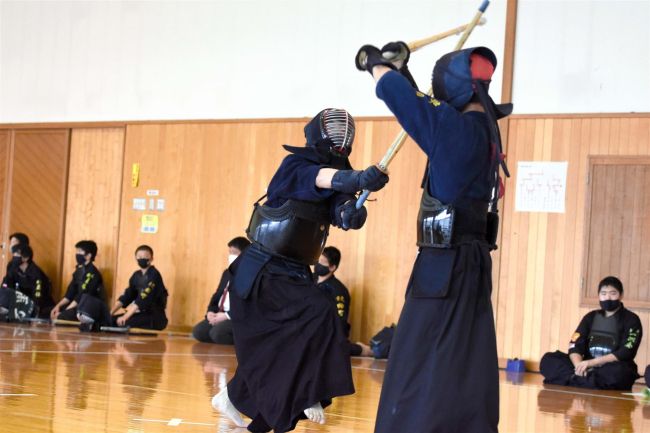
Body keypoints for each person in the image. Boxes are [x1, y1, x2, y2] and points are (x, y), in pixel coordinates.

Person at [356, 41, 512, 433]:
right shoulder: (481, 130)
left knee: (417, 358)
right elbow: (425, 110)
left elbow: (403, 100)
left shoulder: (453, 129)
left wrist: (374, 63)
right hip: (473, 262)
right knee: (462, 357)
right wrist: (403, 71)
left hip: (444, 265)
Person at [213, 108, 388, 433]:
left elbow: (339, 204)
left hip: (293, 272)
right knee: (318, 312)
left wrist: (350, 212)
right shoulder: (295, 167)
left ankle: (234, 398)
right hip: (262, 269)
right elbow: (322, 179)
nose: (341, 138)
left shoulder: (341, 174)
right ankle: (307, 392)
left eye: (345, 133)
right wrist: (358, 179)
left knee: (281, 348)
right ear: (317, 135)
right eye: (334, 132)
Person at [540, 276, 642, 390]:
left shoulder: (631, 319)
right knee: (549, 360)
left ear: (621, 295)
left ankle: (574, 380)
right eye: (603, 294)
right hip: (586, 366)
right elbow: (574, 345)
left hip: (610, 367)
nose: (608, 297)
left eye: (613, 293)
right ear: (599, 296)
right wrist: (578, 366)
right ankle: (586, 380)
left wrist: (591, 363)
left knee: (619, 373)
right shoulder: (590, 317)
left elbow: (626, 352)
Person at [315, 246, 372, 357]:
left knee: (328, 348)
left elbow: (340, 321)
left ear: (332, 267)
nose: (318, 264)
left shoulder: (338, 290)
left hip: (328, 332)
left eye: (322, 262)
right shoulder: (309, 280)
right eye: (318, 260)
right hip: (311, 327)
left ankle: (362, 350)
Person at [192, 236, 250, 345]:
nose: (230, 256)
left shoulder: (249, 275)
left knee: (217, 333)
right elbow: (217, 295)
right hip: (219, 313)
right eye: (230, 252)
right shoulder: (227, 273)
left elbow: (246, 303)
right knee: (198, 332)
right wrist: (210, 311)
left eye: (234, 252)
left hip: (235, 317)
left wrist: (227, 316)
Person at [110, 245, 169, 330]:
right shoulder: (136, 275)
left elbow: (143, 298)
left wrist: (125, 316)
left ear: (151, 259)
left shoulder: (154, 275)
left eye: (145, 257)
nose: (142, 259)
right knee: (111, 320)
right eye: (140, 257)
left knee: (123, 322)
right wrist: (110, 313)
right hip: (140, 314)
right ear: (136, 258)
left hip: (154, 317)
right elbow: (127, 296)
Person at [50, 240, 107, 322]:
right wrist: (58, 306)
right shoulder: (78, 271)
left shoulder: (93, 274)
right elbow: (70, 293)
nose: (77, 254)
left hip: (87, 308)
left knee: (63, 316)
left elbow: (82, 296)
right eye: (77, 251)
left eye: (80, 251)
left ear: (89, 255)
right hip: (76, 305)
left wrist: (65, 311)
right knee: (51, 311)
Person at [2, 244, 54, 318]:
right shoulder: (12, 266)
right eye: (14, 254)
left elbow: (38, 294)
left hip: (41, 302)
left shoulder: (35, 272)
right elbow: (7, 283)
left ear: (26, 258)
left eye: (17, 254)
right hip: (22, 299)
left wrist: (33, 308)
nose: (14, 256)